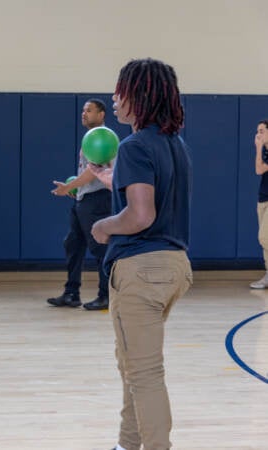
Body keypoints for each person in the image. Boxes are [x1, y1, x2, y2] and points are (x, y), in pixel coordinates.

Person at [90, 58, 193, 450]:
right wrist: (113, 179)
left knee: (145, 373)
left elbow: (140, 215)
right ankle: (126, 444)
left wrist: (103, 226)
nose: (115, 99)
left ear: (140, 96)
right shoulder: (174, 145)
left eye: (122, 91)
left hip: (141, 268)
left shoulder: (134, 145)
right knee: (133, 366)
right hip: (173, 266)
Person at [48, 99, 113, 311]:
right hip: (83, 199)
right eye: (83, 110)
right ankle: (71, 293)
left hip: (97, 199)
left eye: (90, 110)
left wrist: (69, 187)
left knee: (99, 247)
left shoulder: (103, 138)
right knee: (73, 244)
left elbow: (91, 171)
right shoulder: (90, 138)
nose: (84, 113)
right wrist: (75, 189)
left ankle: (106, 296)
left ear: (102, 114)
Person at [250, 119, 268, 289]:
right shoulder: (264, 150)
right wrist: (259, 148)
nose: (258, 134)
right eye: (257, 131)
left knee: (264, 237)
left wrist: (258, 148)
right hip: (262, 198)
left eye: (262, 130)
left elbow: (260, 169)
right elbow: (258, 169)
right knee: (265, 241)